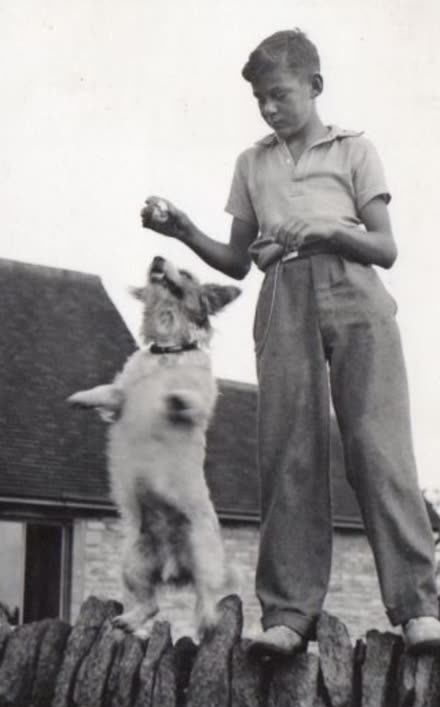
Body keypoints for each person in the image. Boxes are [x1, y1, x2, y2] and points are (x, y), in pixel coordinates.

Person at [139, 29, 440, 655]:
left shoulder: (355, 150)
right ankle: (288, 616)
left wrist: (329, 228)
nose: (270, 109)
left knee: (378, 447)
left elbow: (385, 247)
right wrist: (183, 228)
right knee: (288, 453)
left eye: (279, 95)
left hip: (355, 292)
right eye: (260, 101)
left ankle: (416, 607)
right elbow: (236, 261)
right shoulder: (252, 162)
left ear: (314, 87)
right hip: (282, 297)